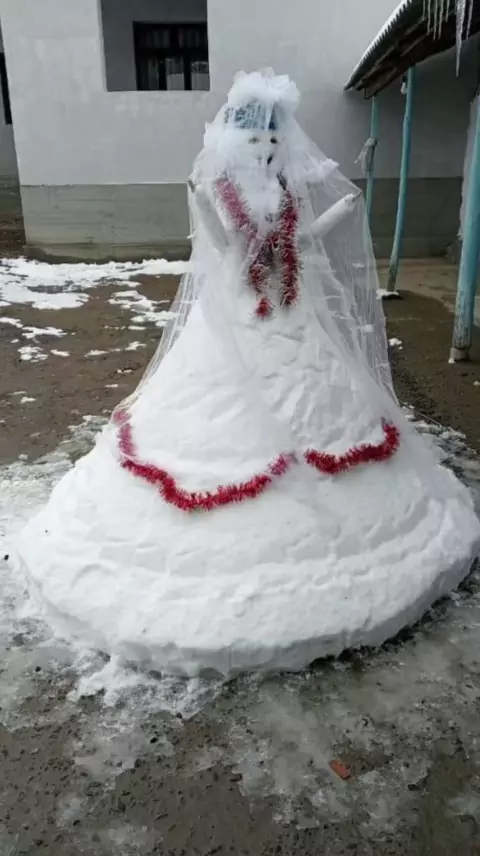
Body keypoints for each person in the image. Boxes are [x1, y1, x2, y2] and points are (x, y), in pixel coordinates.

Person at [15, 70, 480, 677]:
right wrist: (203, 202)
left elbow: (301, 243)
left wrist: (340, 210)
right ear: (235, 145)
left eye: (273, 142)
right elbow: (222, 245)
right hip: (237, 319)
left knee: (321, 403)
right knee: (215, 414)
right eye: (255, 142)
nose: (265, 151)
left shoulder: (284, 196)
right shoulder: (228, 195)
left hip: (293, 318)